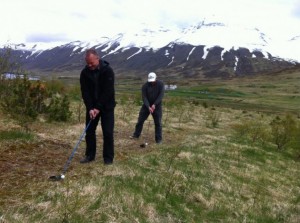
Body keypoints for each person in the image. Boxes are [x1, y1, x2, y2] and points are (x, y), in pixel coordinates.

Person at [79, 49, 116, 165]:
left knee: (108, 132)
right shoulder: (84, 73)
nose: (90, 65)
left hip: (107, 106)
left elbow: (108, 91)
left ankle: (108, 158)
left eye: (92, 63)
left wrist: (98, 107)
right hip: (92, 107)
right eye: (87, 63)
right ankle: (90, 155)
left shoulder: (108, 71)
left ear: (97, 58)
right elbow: (85, 92)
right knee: (89, 131)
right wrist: (90, 108)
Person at [131, 72, 165, 144]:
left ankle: (158, 139)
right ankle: (136, 135)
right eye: (150, 81)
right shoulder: (145, 86)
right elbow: (144, 97)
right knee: (140, 120)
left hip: (157, 107)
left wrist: (154, 104)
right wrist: (148, 106)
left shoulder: (161, 84)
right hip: (146, 106)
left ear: (155, 78)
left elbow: (161, 95)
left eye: (153, 80)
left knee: (158, 123)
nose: (152, 82)